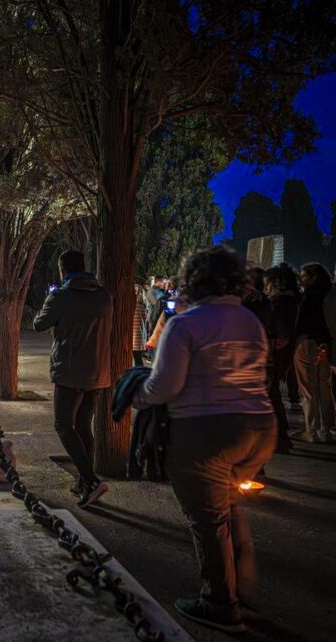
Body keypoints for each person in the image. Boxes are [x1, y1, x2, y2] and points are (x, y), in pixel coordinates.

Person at [133, 246, 275, 634]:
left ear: (193, 279)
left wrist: (136, 396)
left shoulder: (186, 324)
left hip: (206, 432)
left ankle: (219, 602)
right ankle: (242, 588)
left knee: (208, 519)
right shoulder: (249, 321)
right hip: (258, 427)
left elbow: (165, 385)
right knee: (228, 505)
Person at [33, 250, 113, 508]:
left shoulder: (61, 296)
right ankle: (82, 481)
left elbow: (38, 324)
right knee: (83, 426)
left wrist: (52, 299)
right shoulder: (104, 296)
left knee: (63, 425)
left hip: (69, 371)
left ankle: (90, 479)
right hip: (98, 373)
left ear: (62, 270)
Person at [292, 263, 335, 443]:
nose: (302, 280)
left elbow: (304, 320)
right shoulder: (331, 293)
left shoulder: (310, 295)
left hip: (308, 342)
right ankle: (326, 430)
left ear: (313, 277)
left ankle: (311, 430)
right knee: (325, 388)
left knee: (308, 388)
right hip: (327, 344)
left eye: (304, 276)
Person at [264, 265, 299, 452]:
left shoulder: (279, 302)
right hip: (282, 353)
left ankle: (279, 437)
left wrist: (270, 350)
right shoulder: (292, 300)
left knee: (272, 393)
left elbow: (282, 334)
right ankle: (280, 435)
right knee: (274, 393)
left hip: (277, 354)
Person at [132, 280, 148, 366]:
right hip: (138, 336)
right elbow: (145, 320)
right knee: (137, 358)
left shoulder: (131, 306)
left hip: (133, 336)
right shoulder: (141, 307)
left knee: (136, 358)